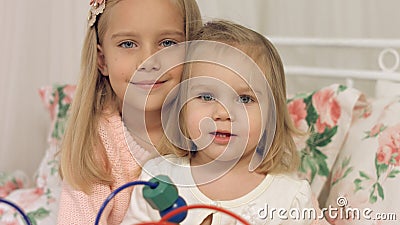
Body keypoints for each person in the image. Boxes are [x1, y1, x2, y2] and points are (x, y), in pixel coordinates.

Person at [121, 20, 329, 225]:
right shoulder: (159, 179)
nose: (223, 113)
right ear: (181, 107)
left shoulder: (290, 198)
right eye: (206, 96)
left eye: (244, 99)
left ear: (272, 116)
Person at [57, 0, 202, 224]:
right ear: (102, 60)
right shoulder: (99, 143)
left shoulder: (209, 127)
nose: (148, 61)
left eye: (167, 42)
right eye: (127, 44)